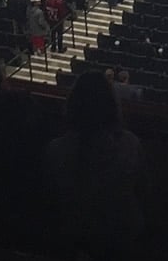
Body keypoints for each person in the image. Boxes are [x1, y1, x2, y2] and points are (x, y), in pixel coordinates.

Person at [44, 71, 144, 249]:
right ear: (112, 104)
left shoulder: (56, 150)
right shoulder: (130, 145)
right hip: (121, 239)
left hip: (67, 238)